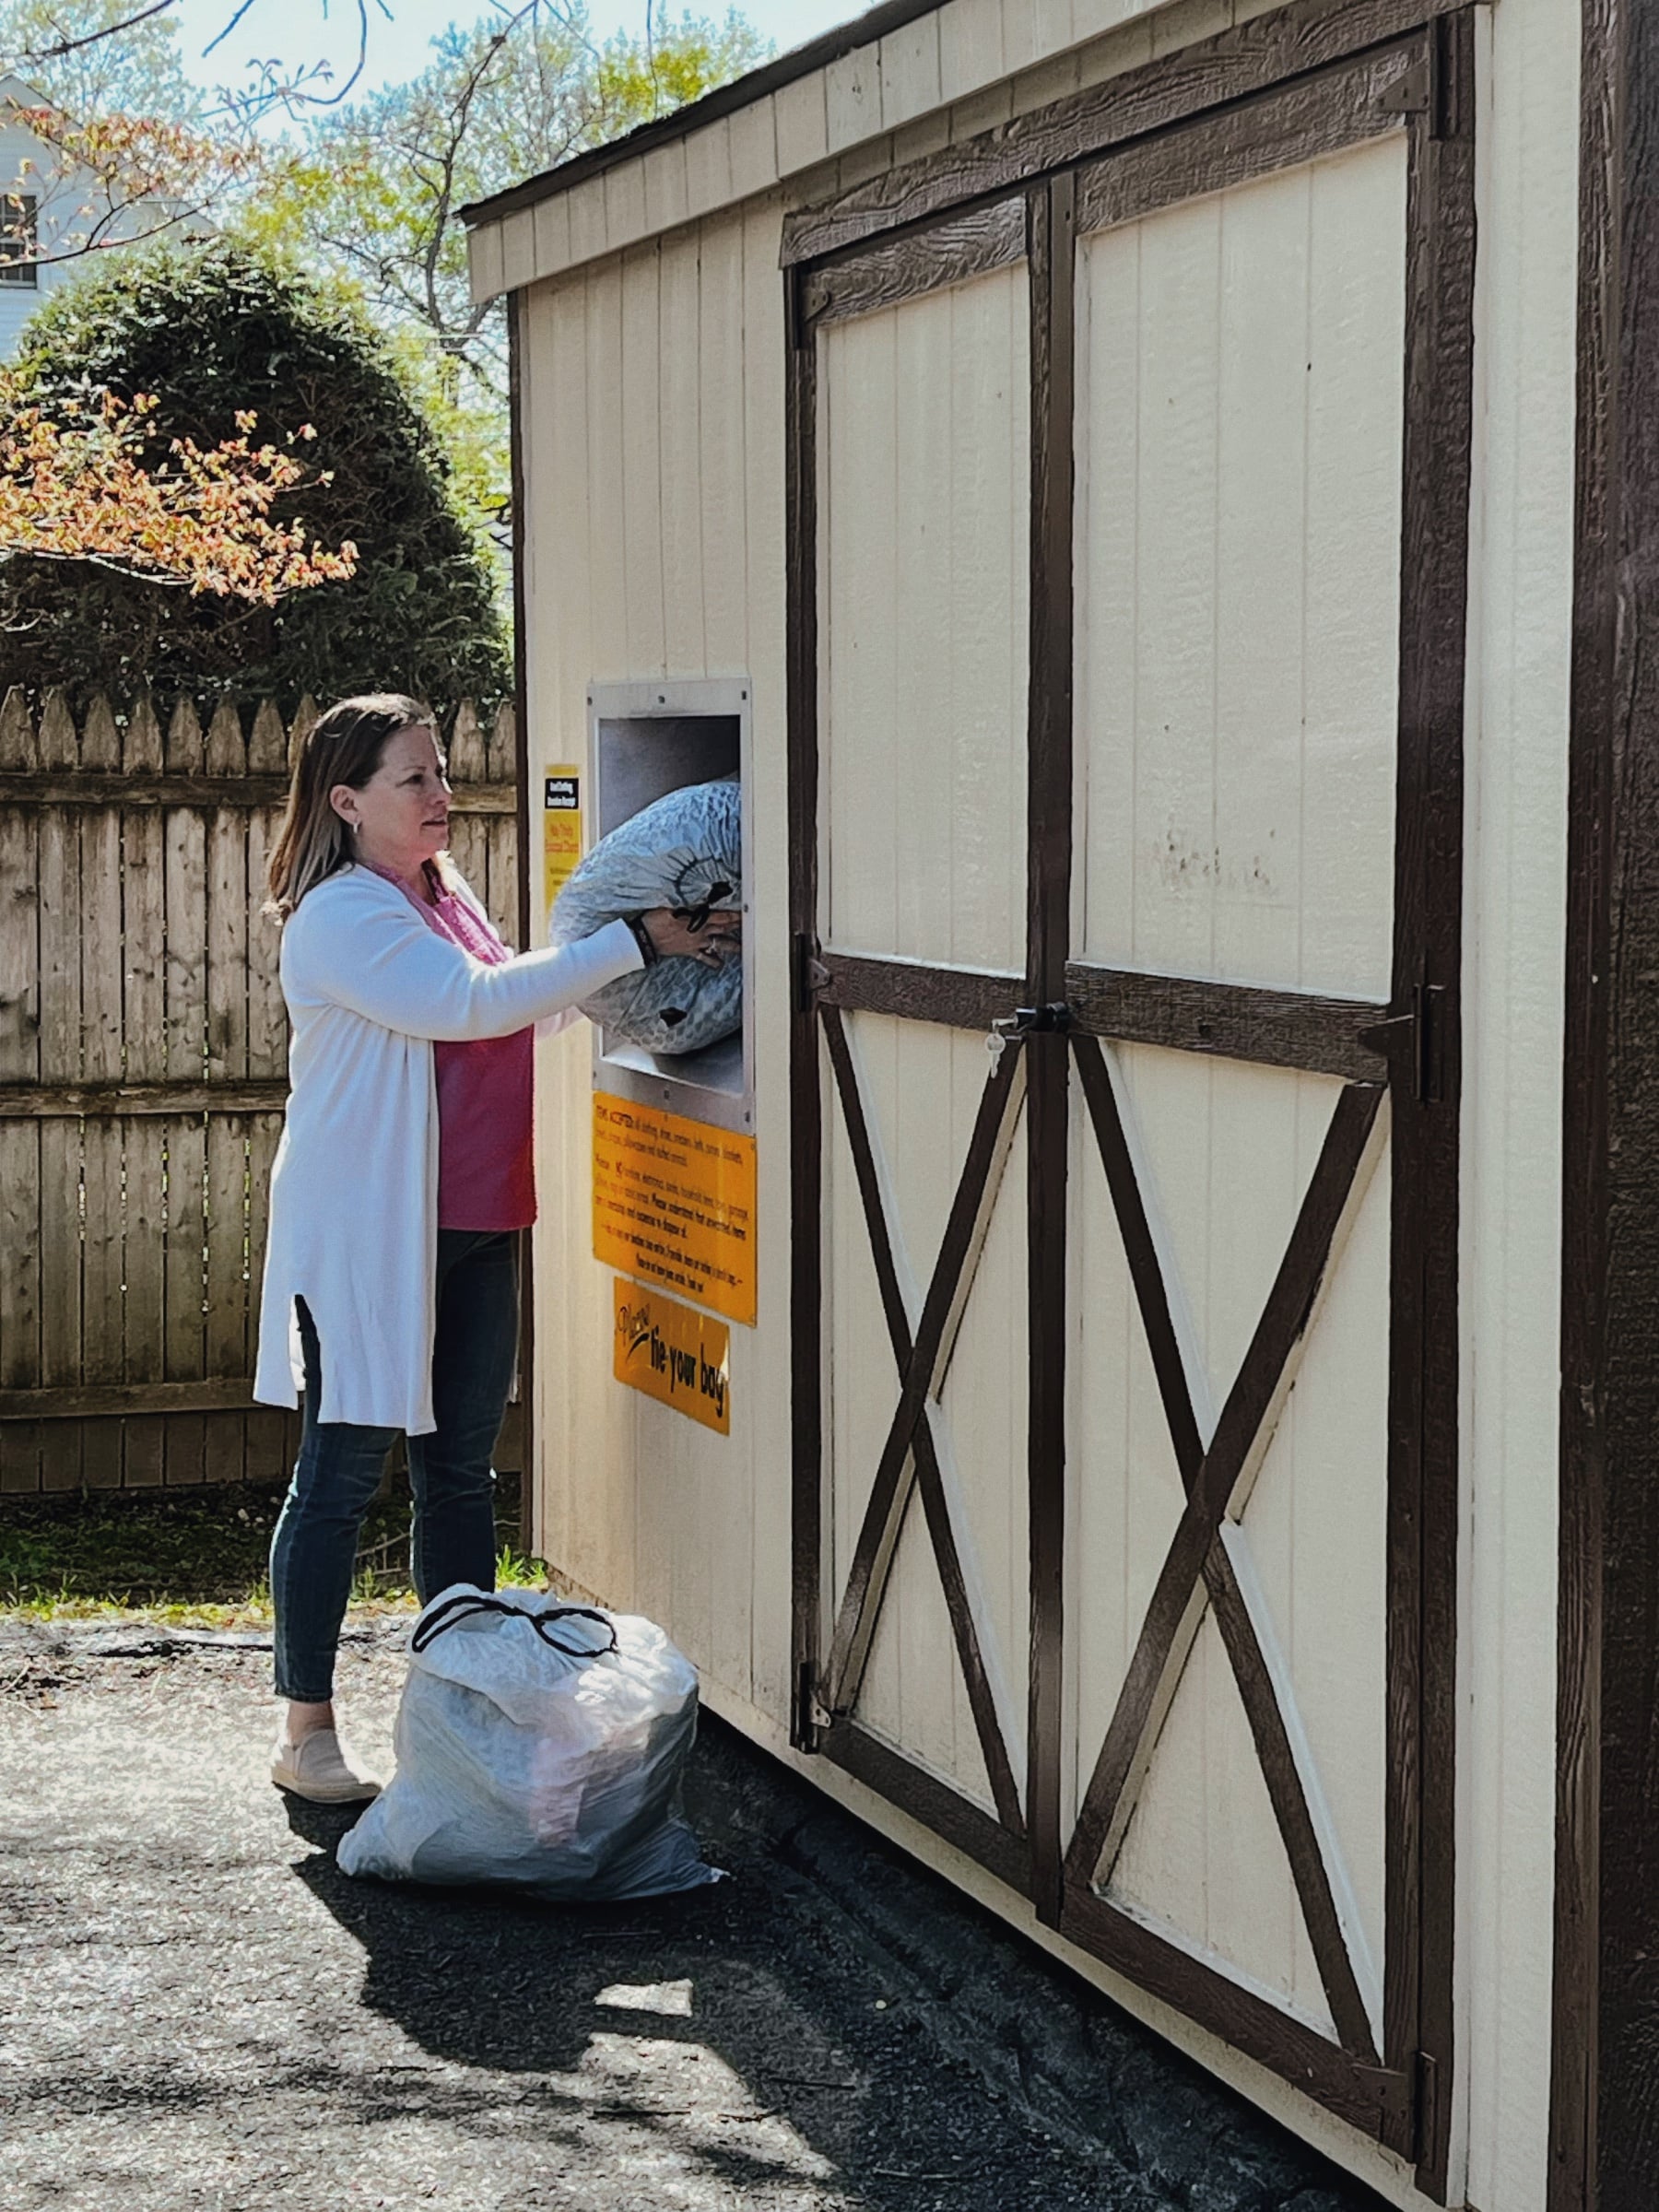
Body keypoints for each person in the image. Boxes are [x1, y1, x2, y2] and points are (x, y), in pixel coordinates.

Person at [253, 693, 735, 1804]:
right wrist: (628, 940)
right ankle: (306, 1729)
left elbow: (523, 1003)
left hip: (478, 1220)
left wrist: (649, 966)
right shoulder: (339, 914)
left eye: (442, 771)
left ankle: (458, 1714)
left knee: (460, 1477)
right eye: (414, 779)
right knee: (338, 1478)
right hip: (375, 1235)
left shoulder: (441, 890)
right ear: (347, 800)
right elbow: (467, 1006)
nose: (443, 794)